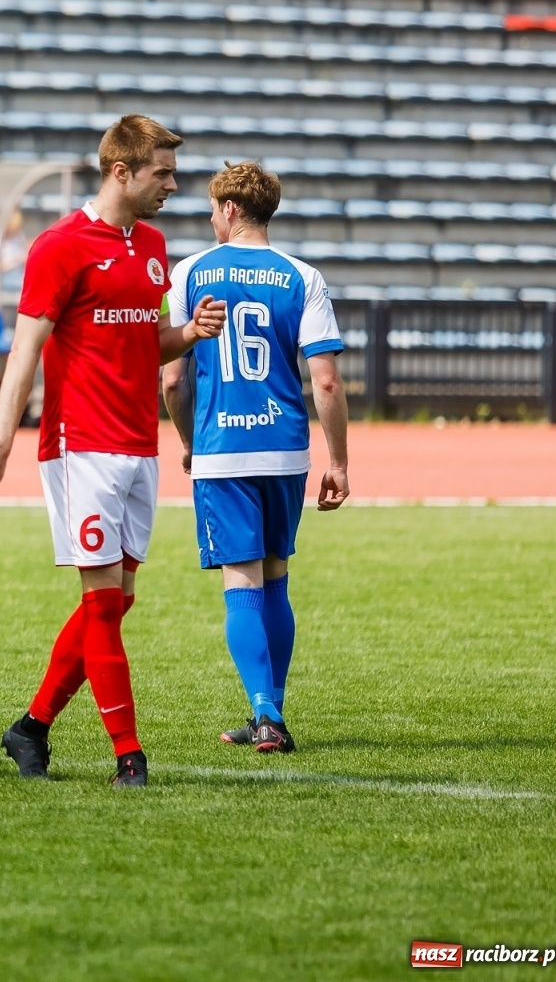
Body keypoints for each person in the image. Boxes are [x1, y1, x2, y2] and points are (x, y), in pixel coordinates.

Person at [0, 115, 225, 787]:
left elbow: (147, 337)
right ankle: (128, 755)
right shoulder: (60, 247)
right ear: (121, 172)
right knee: (103, 601)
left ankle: (32, 727)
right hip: (81, 443)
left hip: (139, 441)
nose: (174, 182)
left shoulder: (154, 245)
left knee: (118, 599)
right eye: (162, 172)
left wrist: (189, 331)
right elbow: (24, 352)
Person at [162, 161, 350, 754]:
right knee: (276, 578)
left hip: (223, 448)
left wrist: (190, 444)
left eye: (214, 209)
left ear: (231, 210)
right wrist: (338, 462)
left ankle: (265, 713)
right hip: (286, 449)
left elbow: (171, 379)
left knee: (239, 578)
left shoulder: (189, 272)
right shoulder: (303, 276)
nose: (212, 219)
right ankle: (272, 710)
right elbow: (326, 382)